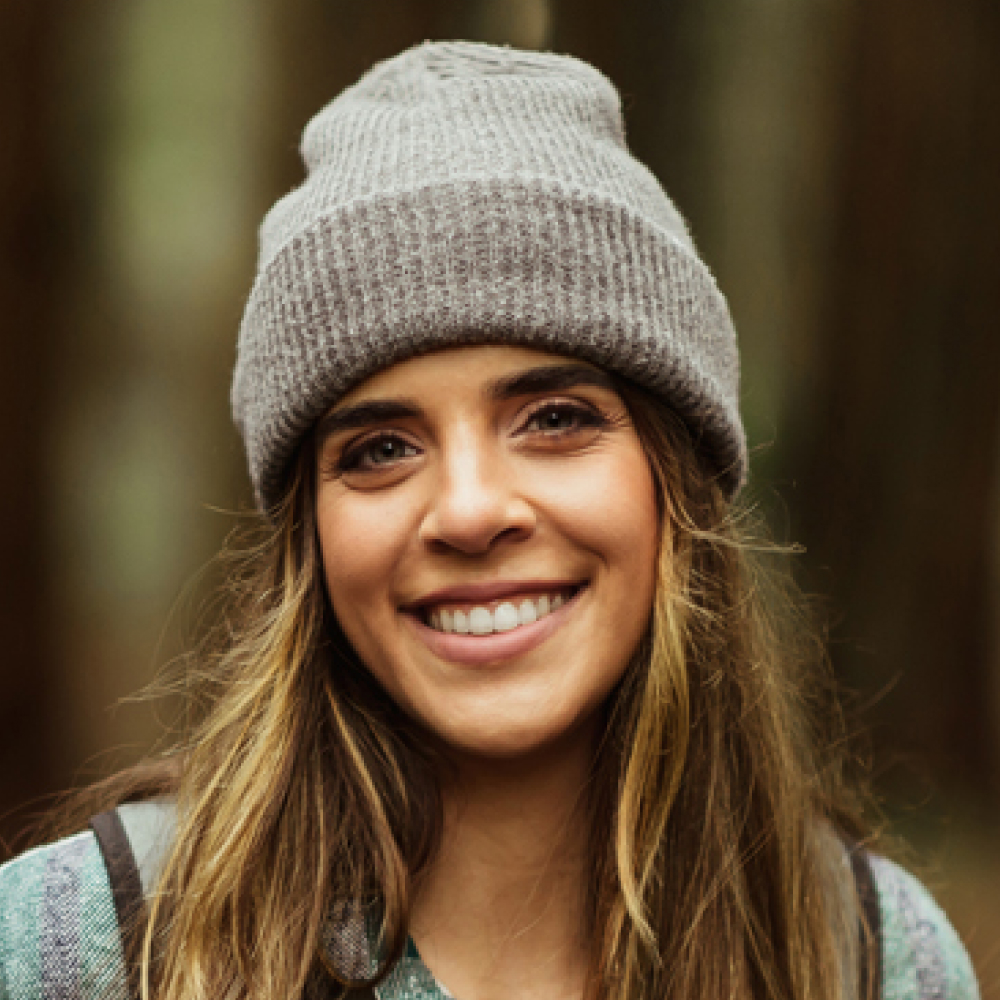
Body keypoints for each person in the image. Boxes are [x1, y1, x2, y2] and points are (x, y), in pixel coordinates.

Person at [0, 40, 979, 1000]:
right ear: (308, 536)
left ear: (673, 484)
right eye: (380, 447)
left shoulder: (867, 955)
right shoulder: (77, 947)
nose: (467, 511)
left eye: (553, 419)